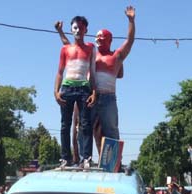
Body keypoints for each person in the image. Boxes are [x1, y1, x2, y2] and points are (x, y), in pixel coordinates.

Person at [56, 6, 135, 154]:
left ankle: (112, 162)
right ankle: (82, 159)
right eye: (97, 36)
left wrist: (131, 20)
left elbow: (129, 41)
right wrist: (60, 32)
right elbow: (69, 46)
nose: (98, 38)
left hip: (108, 98)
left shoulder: (116, 56)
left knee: (111, 129)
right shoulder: (90, 53)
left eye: (101, 36)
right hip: (88, 96)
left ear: (110, 40)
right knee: (83, 128)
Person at [55, 15, 97, 168]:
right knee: (65, 125)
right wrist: (56, 91)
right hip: (67, 87)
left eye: (81, 27)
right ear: (71, 30)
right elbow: (60, 72)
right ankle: (65, 158)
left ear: (86, 29)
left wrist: (94, 92)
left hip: (84, 88)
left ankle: (87, 158)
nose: (78, 30)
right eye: (75, 27)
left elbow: (92, 72)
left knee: (86, 124)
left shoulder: (91, 48)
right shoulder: (65, 49)